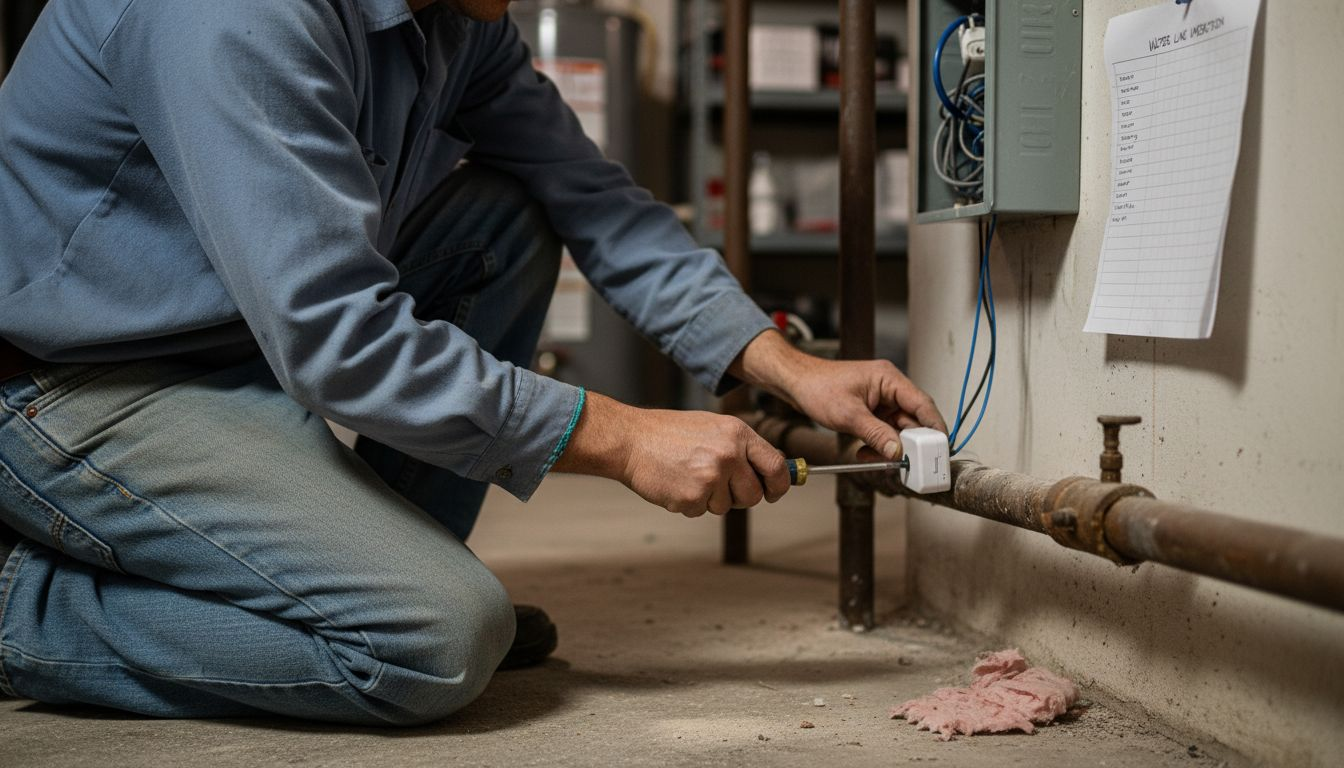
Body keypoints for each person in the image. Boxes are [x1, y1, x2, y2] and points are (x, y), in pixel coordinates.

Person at [0, 0, 945, 725]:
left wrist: (782, 362)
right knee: (435, 643)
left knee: (508, 213)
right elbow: (336, 336)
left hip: (234, 337)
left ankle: (383, 566)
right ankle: (22, 604)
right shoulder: (239, 17)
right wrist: (618, 435)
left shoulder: (458, 19)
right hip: (74, 380)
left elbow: (593, 200)